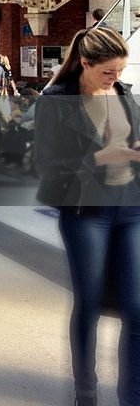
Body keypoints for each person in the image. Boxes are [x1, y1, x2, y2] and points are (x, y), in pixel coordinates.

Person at [34, 26, 140, 406]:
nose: (116, 79)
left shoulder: (125, 95)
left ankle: (132, 397)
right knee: (90, 302)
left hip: (131, 207)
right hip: (85, 212)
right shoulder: (57, 100)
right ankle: (87, 392)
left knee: (137, 307)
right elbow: (45, 165)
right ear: (84, 62)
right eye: (108, 72)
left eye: (121, 71)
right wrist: (99, 158)